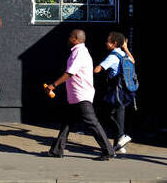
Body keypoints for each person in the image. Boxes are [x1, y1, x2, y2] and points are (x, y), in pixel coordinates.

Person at [45, 29, 115, 161]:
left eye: (70, 37)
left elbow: (70, 72)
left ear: (76, 39)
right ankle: (56, 150)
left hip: (81, 94)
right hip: (76, 95)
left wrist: (53, 85)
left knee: (92, 123)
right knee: (67, 123)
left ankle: (108, 150)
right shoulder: (79, 51)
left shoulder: (80, 52)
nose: (68, 39)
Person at [93, 32, 135, 154]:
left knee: (106, 114)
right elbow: (133, 61)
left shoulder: (112, 56)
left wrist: (94, 67)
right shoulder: (123, 54)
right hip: (124, 90)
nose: (106, 43)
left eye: (108, 41)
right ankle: (119, 144)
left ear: (114, 43)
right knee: (119, 115)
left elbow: (97, 70)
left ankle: (122, 137)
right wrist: (126, 48)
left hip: (114, 90)